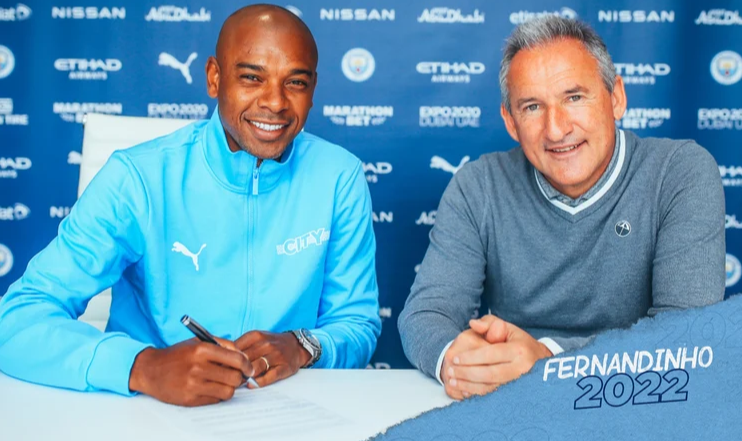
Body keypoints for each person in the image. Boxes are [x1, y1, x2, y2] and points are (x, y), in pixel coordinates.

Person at [0, 5, 381, 407]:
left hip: (289, 413)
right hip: (150, 410)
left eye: (295, 82)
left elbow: (356, 324)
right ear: (214, 77)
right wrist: (144, 367)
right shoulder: (138, 178)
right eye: (252, 78)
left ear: (313, 89)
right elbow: (16, 320)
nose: (275, 102)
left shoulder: (339, 176)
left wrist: (302, 346)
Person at [398, 16, 725, 400]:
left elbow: (684, 337)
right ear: (511, 122)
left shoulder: (680, 172)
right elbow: (426, 315)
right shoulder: (478, 185)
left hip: (636, 403)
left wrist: (548, 361)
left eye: (574, 98)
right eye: (532, 106)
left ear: (616, 98)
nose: (556, 129)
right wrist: (456, 360)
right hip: (514, 403)